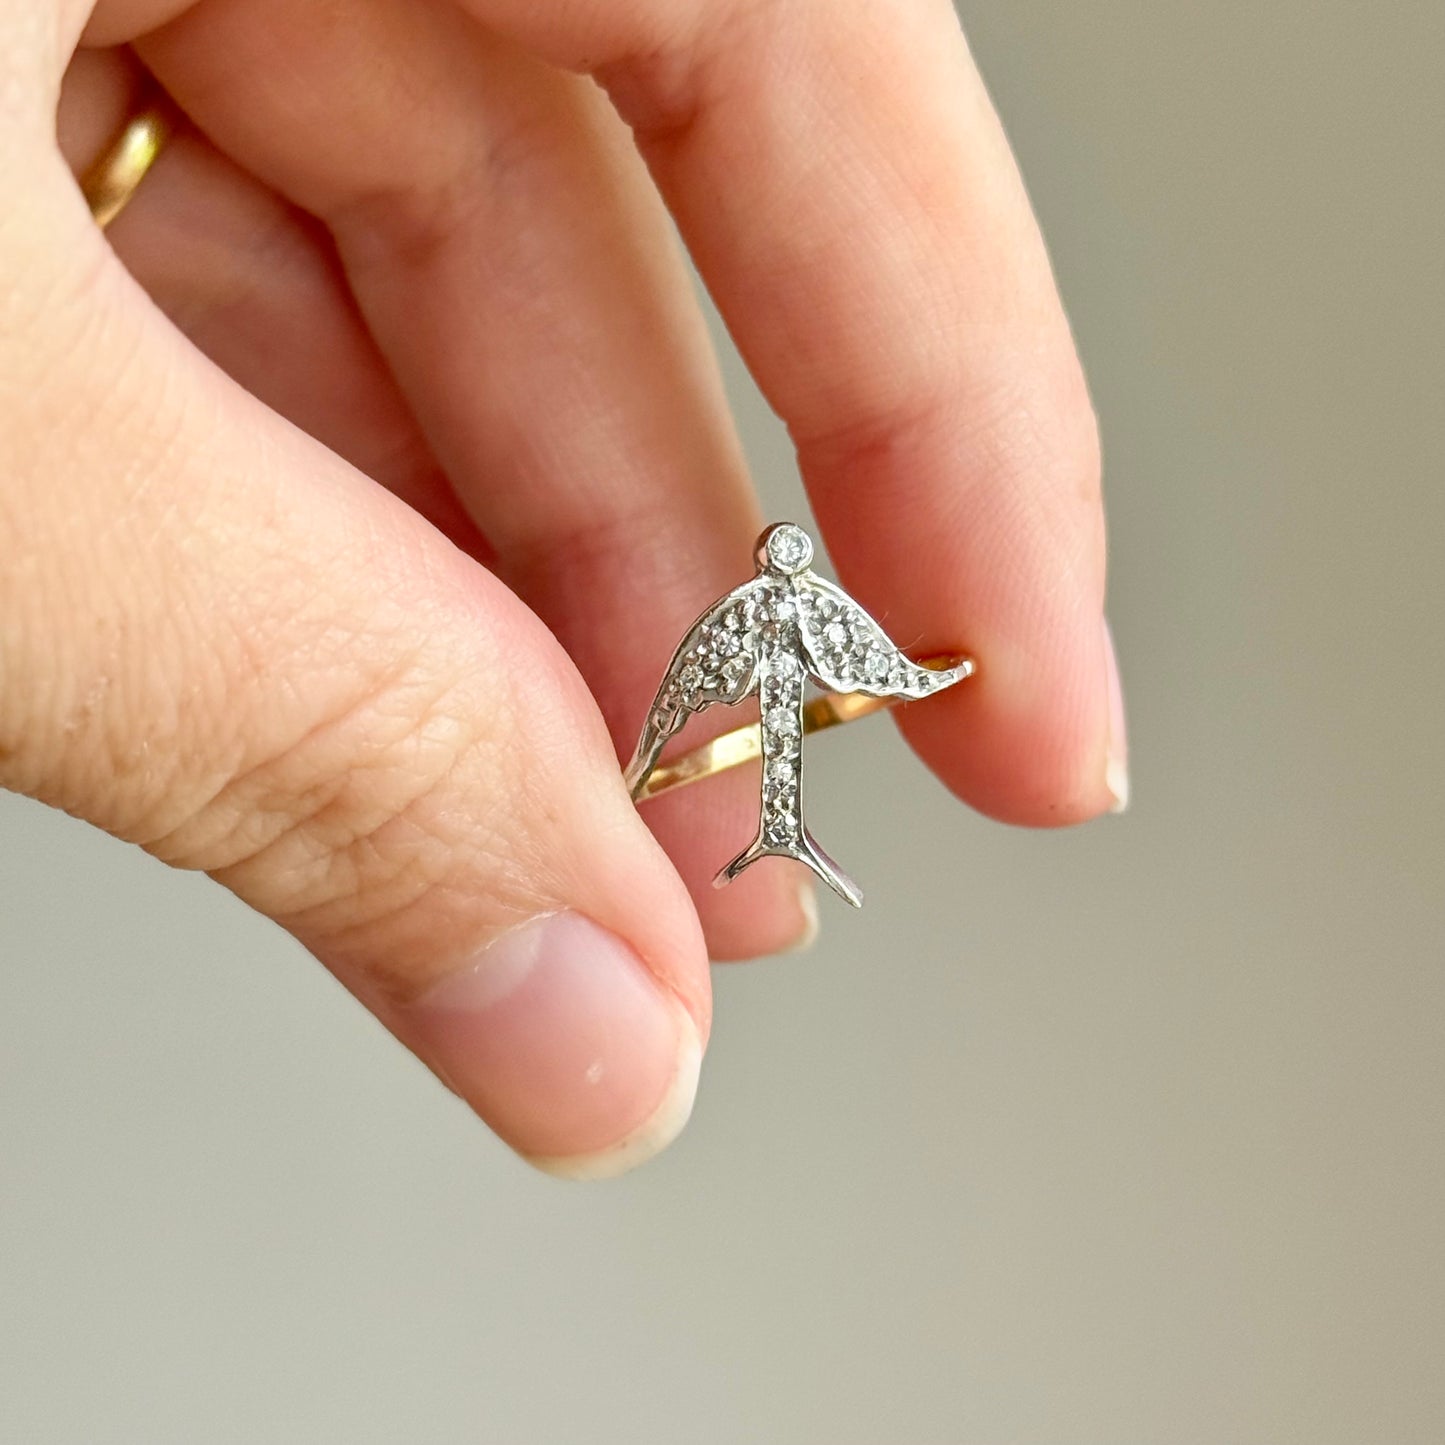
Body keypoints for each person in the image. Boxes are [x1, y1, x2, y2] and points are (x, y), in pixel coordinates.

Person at [1, 0, 1126, 1179]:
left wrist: (908, 673)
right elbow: (718, 671)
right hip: (729, 731)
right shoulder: (751, 617)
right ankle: (757, 820)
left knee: (756, 779)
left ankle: (765, 819)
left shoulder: (782, 617)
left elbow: (834, 652)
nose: (788, 565)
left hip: (755, 729)